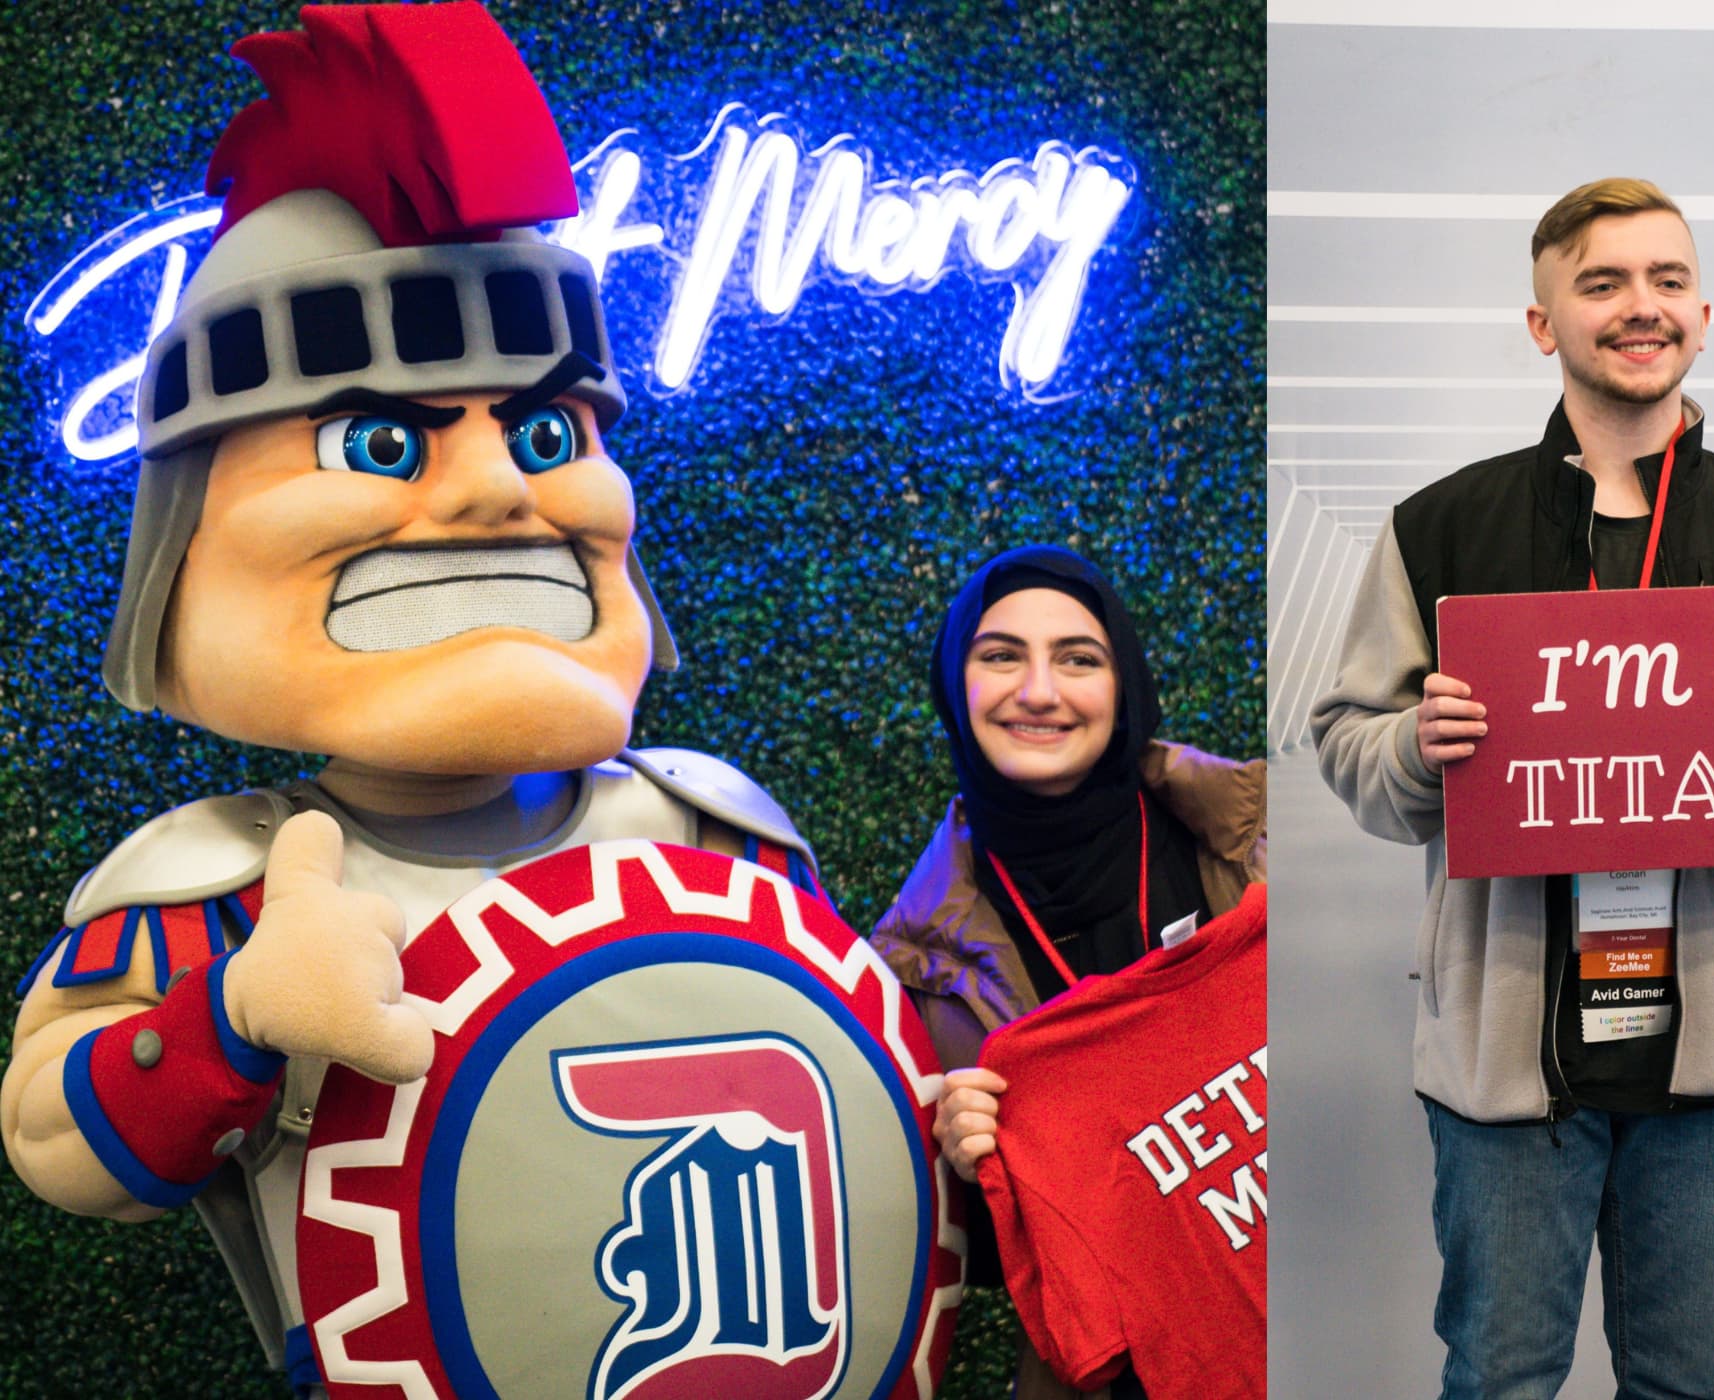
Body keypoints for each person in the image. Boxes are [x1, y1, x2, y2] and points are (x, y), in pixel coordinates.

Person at [0, 11, 823, 1395]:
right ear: (191, 543)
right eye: (382, 441)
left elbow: (834, 1084)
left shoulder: (711, 834)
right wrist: (231, 1020)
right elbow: (50, 1141)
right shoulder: (225, 884)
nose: (502, 490)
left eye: (549, 433)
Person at [1310, 176, 1714, 1400]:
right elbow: (1346, 739)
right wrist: (1418, 755)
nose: (1639, 307)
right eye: (1601, 283)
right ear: (1545, 324)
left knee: (1685, 1382)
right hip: (1505, 1057)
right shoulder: (1443, 528)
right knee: (1497, 1376)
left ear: (1703, 312)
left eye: (1665, 279)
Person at [869, 546, 1266, 1400]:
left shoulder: (1265, 844)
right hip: (1115, 1369)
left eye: (1078, 659)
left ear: (1122, 683)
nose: (1040, 692)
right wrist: (960, 1170)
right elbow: (949, 1258)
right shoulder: (913, 971)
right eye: (1001, 655)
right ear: (955, 683)